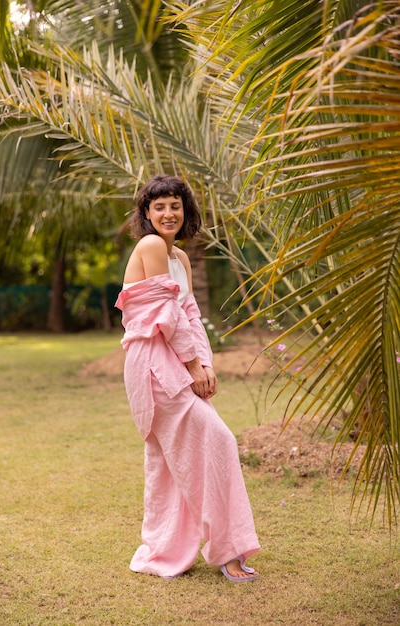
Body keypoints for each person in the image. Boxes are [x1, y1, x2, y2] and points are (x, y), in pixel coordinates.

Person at [115, 174, 260, 582]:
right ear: (146, 212)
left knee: (169, 461)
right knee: (218, 440)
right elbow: (166, 318)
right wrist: (194, 368)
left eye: (175, 205)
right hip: (153, 364)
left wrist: (206, 363)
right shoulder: (149, 247)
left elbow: (191, 315)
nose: (168, 213)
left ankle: (164, 550)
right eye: (159, 206)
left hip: (175, 360)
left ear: (185, 210)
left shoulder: (177, 257)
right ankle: (229, 552)